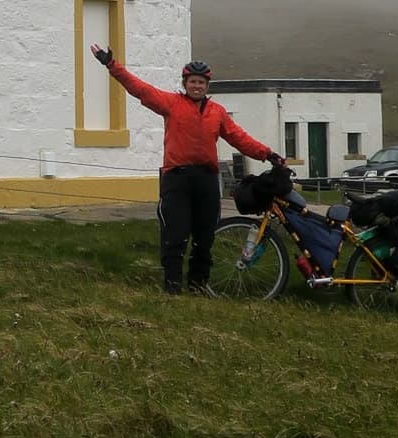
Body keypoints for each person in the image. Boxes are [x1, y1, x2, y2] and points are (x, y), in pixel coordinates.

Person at [90, 47, 286, 294]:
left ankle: (197, 286)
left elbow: (239, 138)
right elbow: (140, 89)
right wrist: (111, 65)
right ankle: (172, 287)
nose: (197, 86)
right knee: (176, 236)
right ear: (185, 84)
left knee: (205, 238)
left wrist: (268, 154)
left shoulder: (217, 113)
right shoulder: (171, 103)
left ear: (207, 85)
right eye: (193, 82)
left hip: (206, 180)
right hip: (177, 179)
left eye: (201, 82)